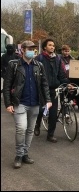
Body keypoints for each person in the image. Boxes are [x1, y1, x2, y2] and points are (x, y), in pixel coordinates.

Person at [3, 40, 52, 169]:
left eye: (33, 49)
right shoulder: (14, 65)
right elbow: (7, 85)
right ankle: (18, 155)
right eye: (29, 49)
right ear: (23, 50)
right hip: (20, 103)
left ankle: (25, 153)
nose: (32, 51)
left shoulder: (39, 65)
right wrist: (8, 103)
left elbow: (44, 84)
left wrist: (48, 100)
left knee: (30, 130)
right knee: (21, 128)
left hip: (35, 103)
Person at [34, 38, 70, 143]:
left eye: (53, 45)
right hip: (41, 89)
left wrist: (67, 84)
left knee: (53, 113)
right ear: (45, 47)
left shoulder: (58, 59)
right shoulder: (39, 58)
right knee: (41, 109)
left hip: (54, 89)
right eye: (50, 45)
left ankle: (50, 134)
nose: (52, 47)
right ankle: (37, 123)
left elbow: (61, 74)